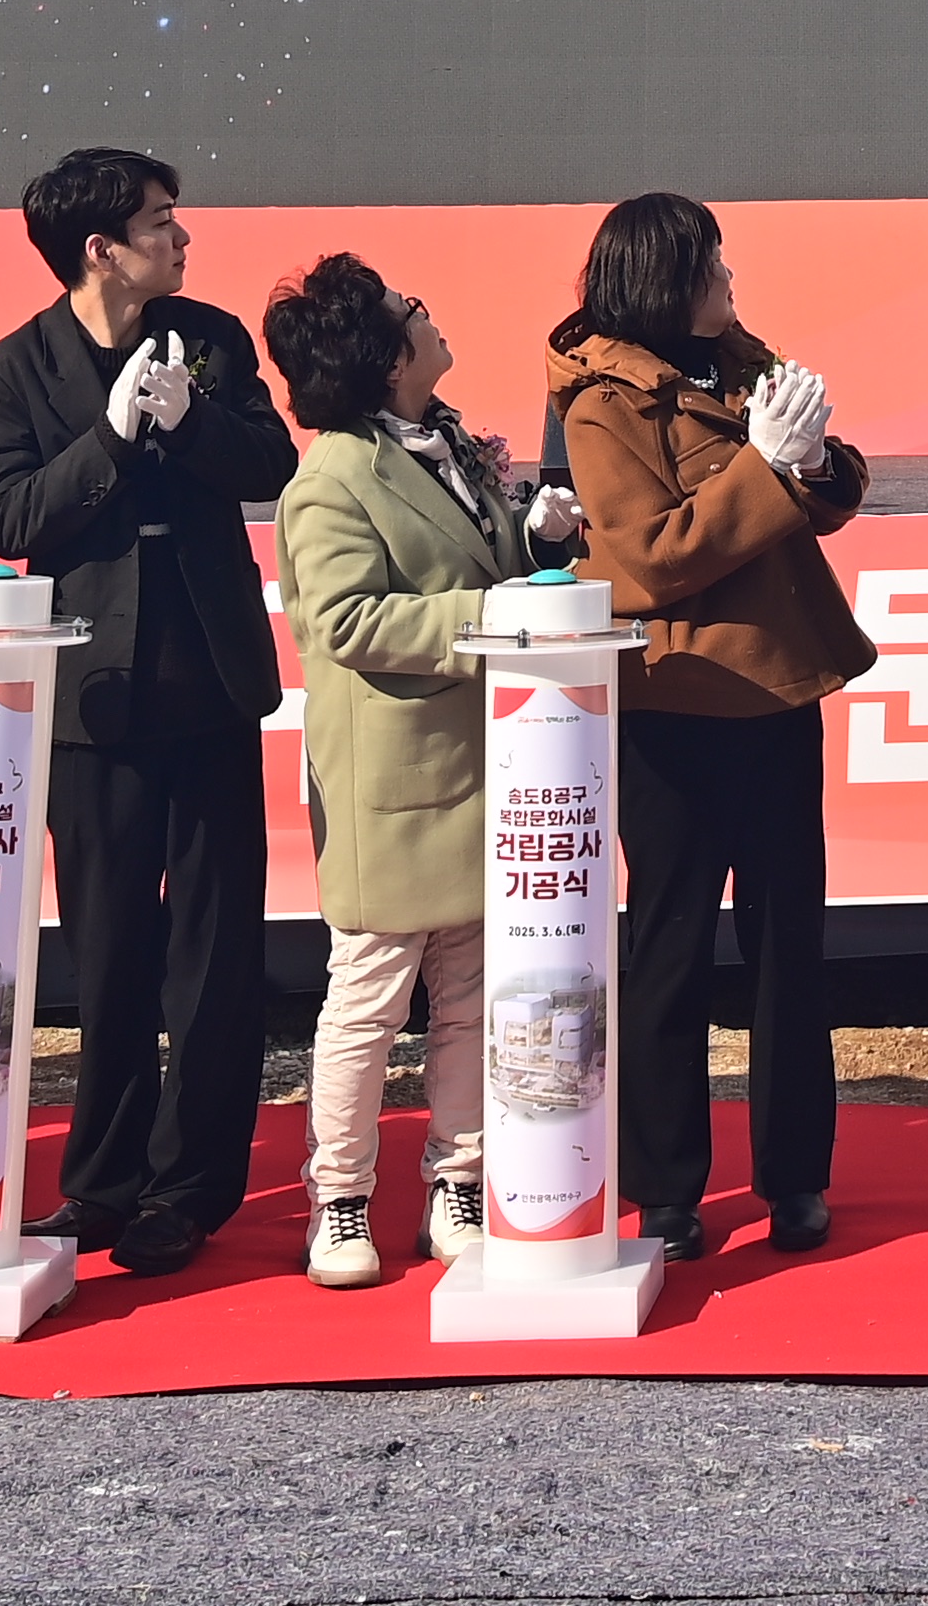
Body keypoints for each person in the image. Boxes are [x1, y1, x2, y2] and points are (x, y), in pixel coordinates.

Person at [0, 146, 299, 1275]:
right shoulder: (13, 367)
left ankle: (191, 1186)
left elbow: (270, 459)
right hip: (91, 697)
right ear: (99, 246)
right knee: (107, 950)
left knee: (215, 948)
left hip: (207, 677)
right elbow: (9, 518)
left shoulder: (207, 336)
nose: (182, 237)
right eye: (162, 222)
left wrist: (191, 419)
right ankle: (101, 1184)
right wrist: (110, 438)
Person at [545, 191, 875, 1260]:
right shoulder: (601, 400)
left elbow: (829, 478)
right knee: (671, 947)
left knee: (793, 949)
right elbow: (655, 555)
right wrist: (767, 468)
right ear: (661, 278)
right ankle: (670, 1186)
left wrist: (817, 461)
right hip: (674, 706)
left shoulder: (735, 356)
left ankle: (797, 1177)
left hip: (779, 692)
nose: (730, 283)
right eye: (712, 267)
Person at [265, 250, 572, 1286]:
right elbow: (348, 620)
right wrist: (488, 615)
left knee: (468, 990)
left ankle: (459, 1177)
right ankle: (341, 1196)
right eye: (415, 312)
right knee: (369, 992)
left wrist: (531, 542)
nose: (432, 322)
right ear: (384, 356)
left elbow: (486, 565)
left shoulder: (448, 441)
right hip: (390, 772)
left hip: (481, 758)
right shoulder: (331, 477)